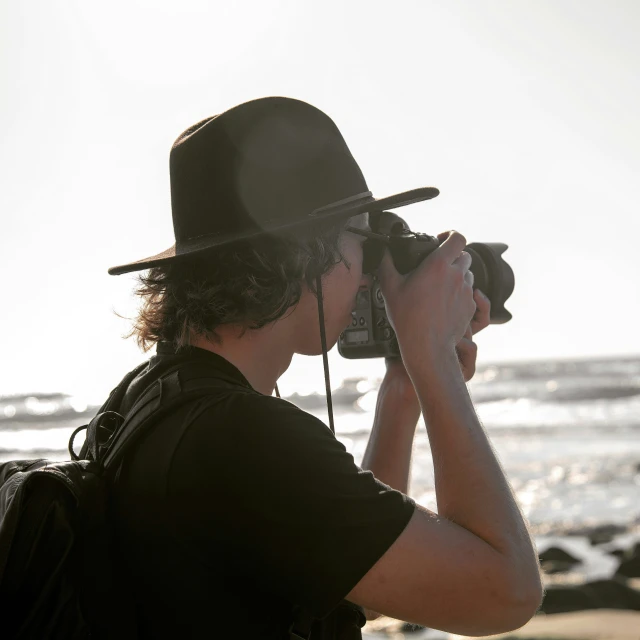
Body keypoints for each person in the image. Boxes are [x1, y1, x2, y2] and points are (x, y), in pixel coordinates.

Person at [107, 97, 543, 639]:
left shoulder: (154, 401)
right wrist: (435, 363)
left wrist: (403, 390)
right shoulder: (242, 439)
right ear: (305, 253)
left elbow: (359, 578)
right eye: (363, 239)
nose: (367, 275)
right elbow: (504, 594)